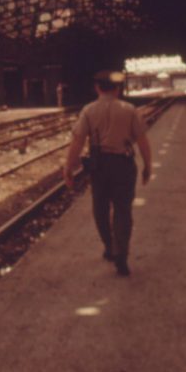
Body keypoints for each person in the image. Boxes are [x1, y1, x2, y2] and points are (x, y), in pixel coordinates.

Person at [62, 70, 152, 276]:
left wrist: (69, 167)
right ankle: (122, 254)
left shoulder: (89, 110)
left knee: (100, 208)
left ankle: (109, 247)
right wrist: (148, 165)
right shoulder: (130, 110)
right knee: (123, 210)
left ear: (97, 88)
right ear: (118, 89)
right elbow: (143, 141)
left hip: (99, 166)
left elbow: (77, 141)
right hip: (124, 164)